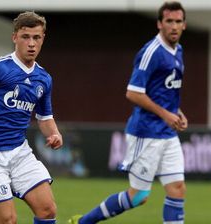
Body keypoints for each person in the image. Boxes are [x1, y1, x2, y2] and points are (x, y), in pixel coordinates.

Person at [69, 2, 187, 224]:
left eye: (178, 21)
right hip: (146, 132)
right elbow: (133, 93)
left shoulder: (178, 51)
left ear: (184, 25)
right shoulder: (151, 52)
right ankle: (83, 222)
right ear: (159, 24)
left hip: (168, 133)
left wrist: (178, 113)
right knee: (139, 196)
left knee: (177, 189)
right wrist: (166, 115)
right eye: (169, 21)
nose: (174, 26)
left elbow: (165, 90)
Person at [0, 11, 63, 224]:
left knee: (47, 210)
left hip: (19, 153)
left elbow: (44, 117)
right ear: (15, 37)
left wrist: (54, 134)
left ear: (43, 38)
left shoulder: (43, 78)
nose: (31, 43)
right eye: (26, 37)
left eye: (37, 37)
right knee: (7, 220)